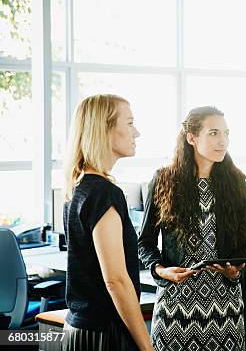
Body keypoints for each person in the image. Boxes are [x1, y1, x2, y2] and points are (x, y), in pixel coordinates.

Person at [138, 106, 246, 351]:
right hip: (176, 307)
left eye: (226, 133)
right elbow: (145, 242)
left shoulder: (236, 182)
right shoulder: (164, 180)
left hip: (225, 308)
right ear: (192, 138)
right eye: (213, 133)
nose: (222, 141)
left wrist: (236, 270)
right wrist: (161, 270)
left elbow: (242, 242)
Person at [62, 94, 152, 351]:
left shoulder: (78, 187)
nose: (137, 133)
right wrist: (147, 347)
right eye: (130, 123)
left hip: (81, 328)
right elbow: (115, 280)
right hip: (103, 332)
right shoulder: (103, 193)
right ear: (104, 129)